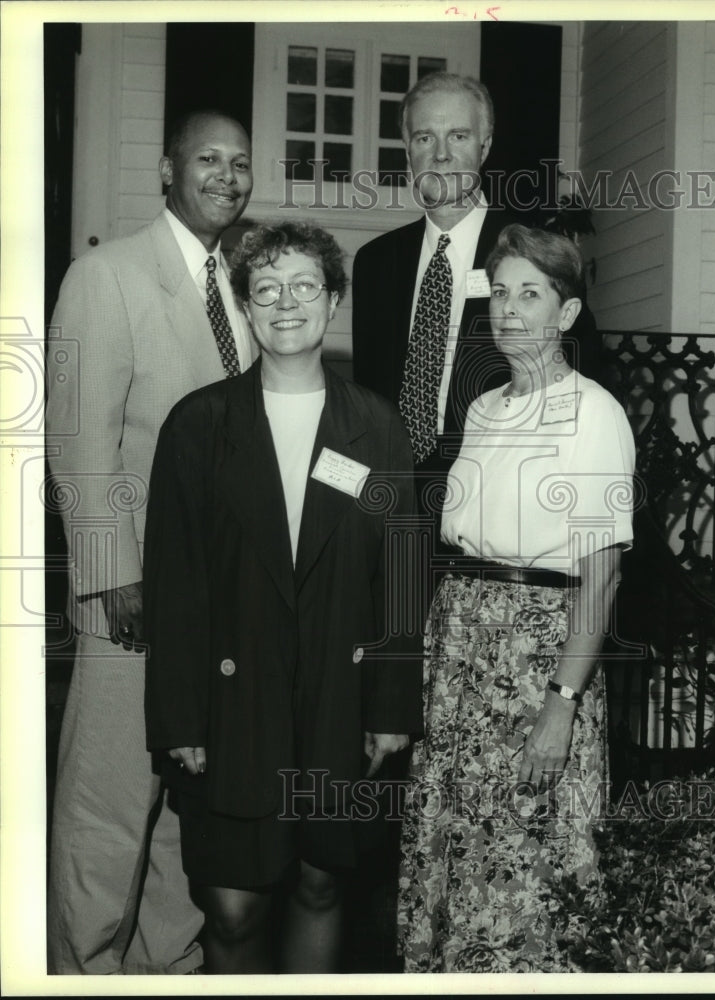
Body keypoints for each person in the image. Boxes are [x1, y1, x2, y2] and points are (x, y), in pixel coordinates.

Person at [143, 221, 422, 974]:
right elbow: (173, 587)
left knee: (322, 884)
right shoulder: (198, 426)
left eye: (305, 285)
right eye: (266, 289)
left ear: (333, 301)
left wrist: (393, 707)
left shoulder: (377, 428)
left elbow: (401, 576)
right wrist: (178, 719)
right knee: (232, 909)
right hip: (231, 706)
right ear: (246, 309)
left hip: (342, 697)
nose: (286, 302)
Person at [45, 109, 256, 974]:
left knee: (181, 809)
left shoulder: (241, 288)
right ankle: (80, 968)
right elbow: (78, 435)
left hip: (211, 606)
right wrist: (109, 574)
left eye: (241, 163)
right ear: (167, 171)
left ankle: (166, 970)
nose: (227, 176)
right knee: (108, 808)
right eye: (208, 158)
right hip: (130, 603)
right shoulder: (107, 274)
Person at [396, 224, 636, 972]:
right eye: (500, 292)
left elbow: (603, 577)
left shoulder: (593, 412)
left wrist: (561, 706)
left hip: (537, 667)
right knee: (453, 856)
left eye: (530, 293)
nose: (509, 309)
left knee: (525, 876)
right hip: (463, 652)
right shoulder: (484, 410)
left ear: (565, 315)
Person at [351, 72, 602, 538]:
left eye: (459, 136)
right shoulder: (375, 263)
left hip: (499, 511)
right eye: (425, 136)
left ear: (484, 147)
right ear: (407, 148)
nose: (441, 154)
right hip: (392, 509)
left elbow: (589, 377)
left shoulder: (535, 251)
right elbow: (367, 394)